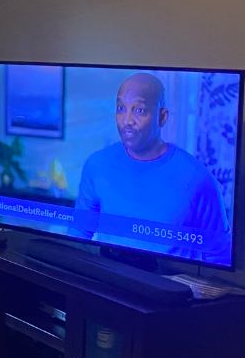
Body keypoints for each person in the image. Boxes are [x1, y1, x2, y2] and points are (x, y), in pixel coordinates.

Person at [75, 72, 232, 263]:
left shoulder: (197, 179)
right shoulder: (97, 165)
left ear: (162, 117)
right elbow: (78, 235)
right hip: (109, 278)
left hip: (168, 281)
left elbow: (219, 256)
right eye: (121, 108)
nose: (127, 121)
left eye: (139, 110)